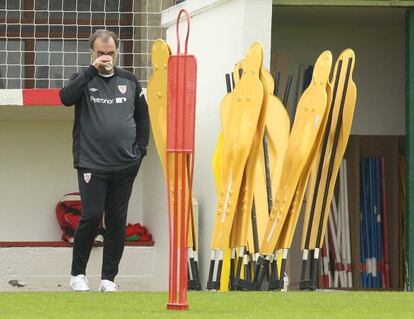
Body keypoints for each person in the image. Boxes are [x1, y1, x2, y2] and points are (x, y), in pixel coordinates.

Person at [60, 29, 149, 292]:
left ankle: (108, 278)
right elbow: (65, 98)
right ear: (92, 53)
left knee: (117, 219)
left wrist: (140, 150)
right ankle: (78, 274)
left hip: (125, 164)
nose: (106, 58)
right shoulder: (83, 78)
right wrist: (90, 71)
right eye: (101, 53)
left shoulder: (130, 80)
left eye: (110, 53)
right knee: (92, 215)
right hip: (91, 163)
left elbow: (143, 118)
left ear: (117, 52)